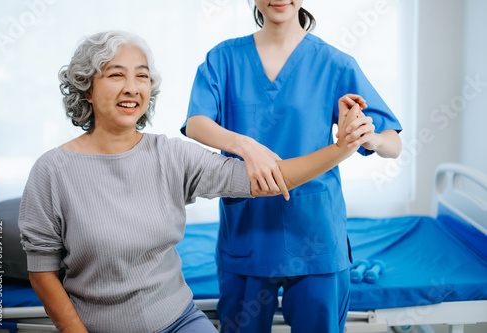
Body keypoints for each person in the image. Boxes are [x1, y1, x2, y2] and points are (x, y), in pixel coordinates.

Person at [18, 30, 365, 333]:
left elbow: (265, 181)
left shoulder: (170, 156)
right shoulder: (52, 171)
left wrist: (341, 148)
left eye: (142, 76)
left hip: (179, 320)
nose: (132, 87)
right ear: (87, 89)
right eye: (115, 75)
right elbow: (42, 272)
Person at [182, 2, 403, 333]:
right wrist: (247, 145)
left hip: (315, 237)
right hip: (247, 233)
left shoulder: (335, 63)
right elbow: (197, 122)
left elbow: (393, 143)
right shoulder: (224, 58)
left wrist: (368, 137)